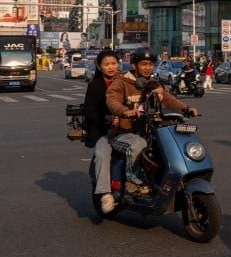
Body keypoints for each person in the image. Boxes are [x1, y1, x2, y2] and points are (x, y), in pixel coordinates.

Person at [106, 47, 199, 184]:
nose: (148, 68)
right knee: (138, 144)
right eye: (144, 64)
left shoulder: (152, 83)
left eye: (151, 64)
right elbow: (112, 100)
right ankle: (133, 179)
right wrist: (125, 111)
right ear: (134, 65)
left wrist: (186, 108)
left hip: (150, 131)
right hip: (124, 132)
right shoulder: (121, 82)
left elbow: (168, 99)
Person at [84, 50, 121, 213]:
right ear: (99, 67)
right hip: (103, 132)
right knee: (102, 154)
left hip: (127, 129)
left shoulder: (125, 81)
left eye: (113, 63)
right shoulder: (94, 86)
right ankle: (105, 193)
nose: (111, 67)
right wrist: (107, 120)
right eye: (106, 64)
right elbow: (90, 112)